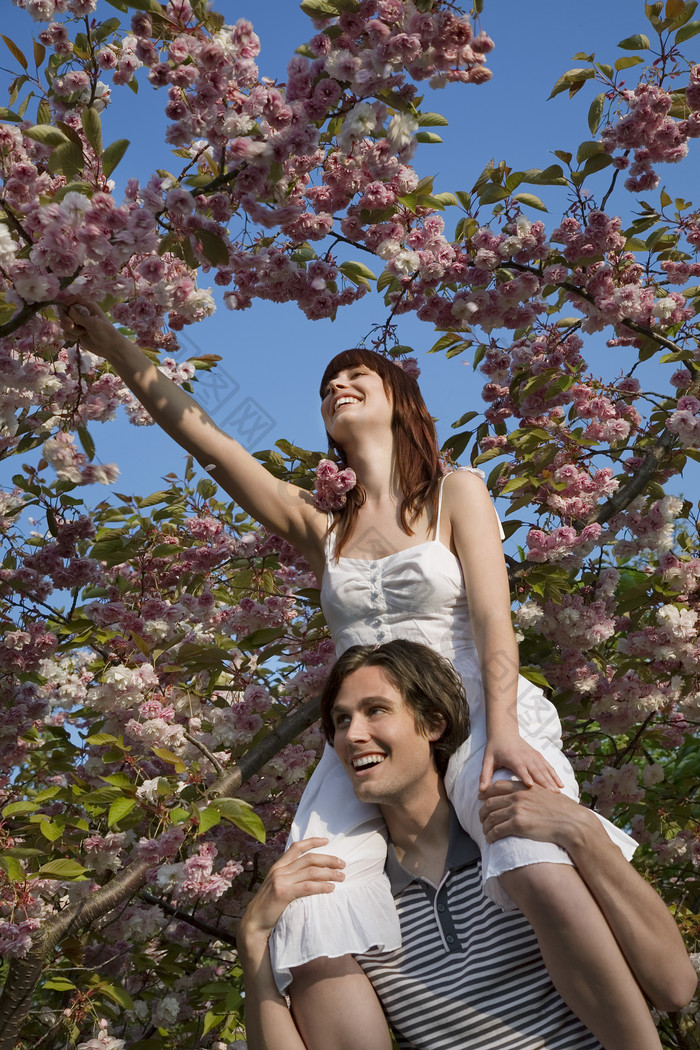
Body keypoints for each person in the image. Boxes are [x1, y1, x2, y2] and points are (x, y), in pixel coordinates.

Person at [60, 306, 667, 1048]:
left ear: (400, 401)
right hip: (371, 731)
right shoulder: (324, 530)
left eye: (357, 374)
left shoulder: (456, 493)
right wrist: (116, 344)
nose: (338, 384)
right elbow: (212, 447)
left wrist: (503, 729)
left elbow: (493, 622)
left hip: (475, 711)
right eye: (326, 385)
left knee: (533, 862)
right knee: (312, 914)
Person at [238, 639, 697, 1050]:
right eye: (341, 720)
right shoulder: (348, 903)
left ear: (433, 723)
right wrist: (254, 941)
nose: (352, 735)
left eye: (376, 710)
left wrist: (582, 832)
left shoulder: (523, 847)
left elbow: (674, 988)